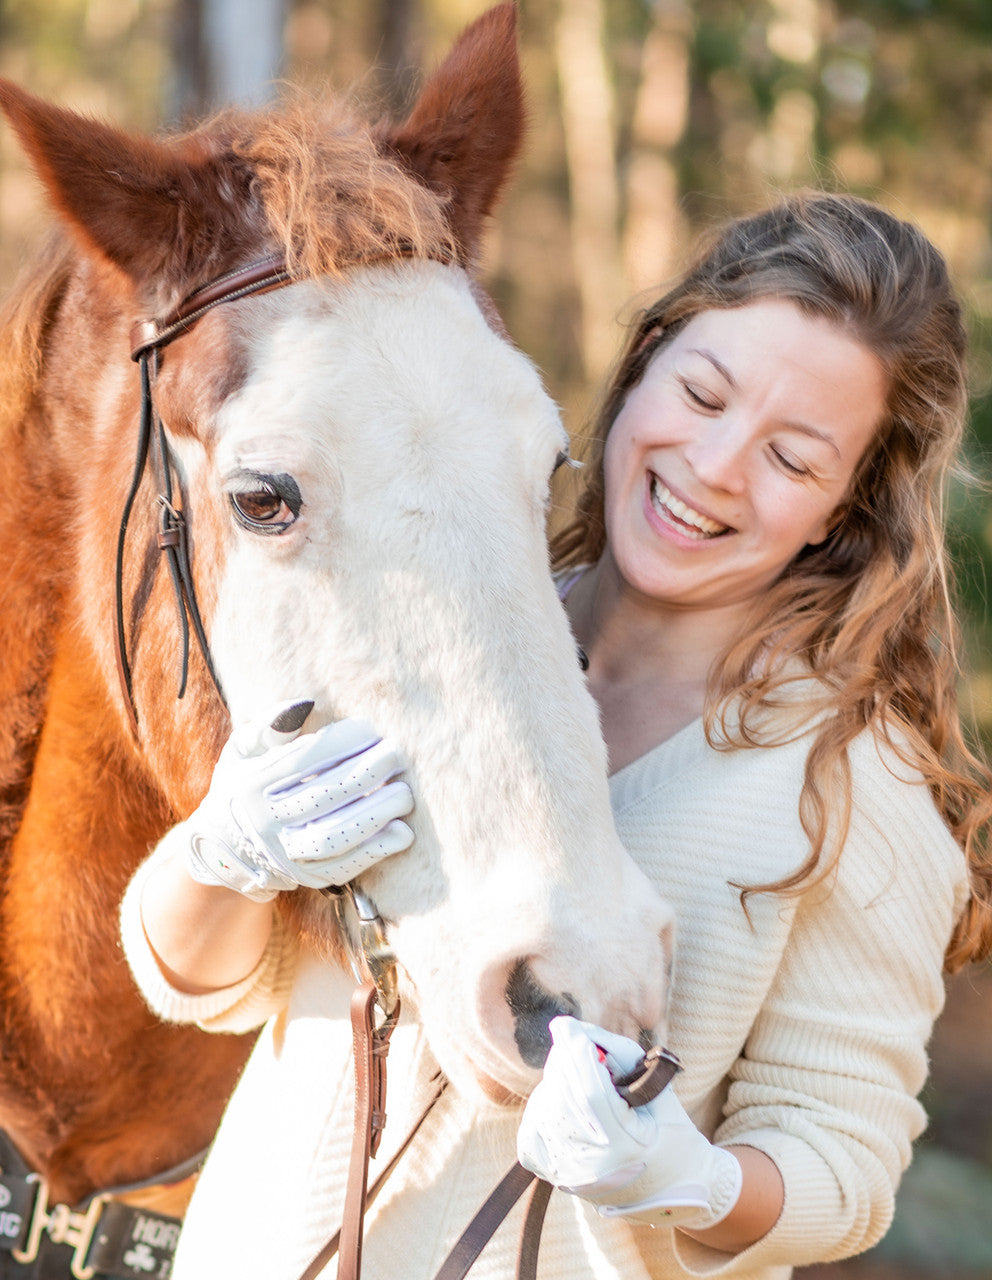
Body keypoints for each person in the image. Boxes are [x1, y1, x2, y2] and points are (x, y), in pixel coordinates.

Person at [119, 191, 992, 1279]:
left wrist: (686, 1177)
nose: (717, 465)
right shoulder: (435, 626)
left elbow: (842, 1171)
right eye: (702, 393)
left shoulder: (853, 782)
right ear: (641, 367)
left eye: (792, 458)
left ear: (842, 506)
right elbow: (205, 985)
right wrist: (223, 853)